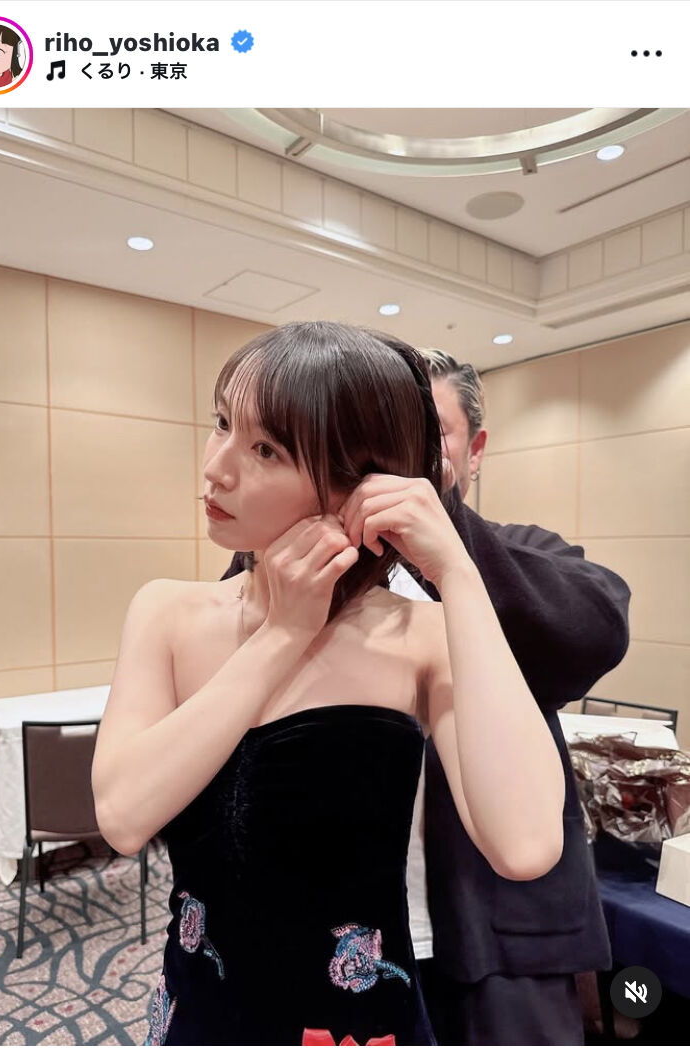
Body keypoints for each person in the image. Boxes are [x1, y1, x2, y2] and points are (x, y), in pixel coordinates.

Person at [92, 322, 566, 1047]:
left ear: (359, 484)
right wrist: (282, 634)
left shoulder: (421, 635)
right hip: (203, 1013)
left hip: (363, 1025)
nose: (216, 468)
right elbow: (123, 816)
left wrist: (459, 576)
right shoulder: (166, 612)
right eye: (222, 424)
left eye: (266, 450)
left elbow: (526, 845)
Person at [223, 345, 630, 1045]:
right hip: (335, 929)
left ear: (474, 451)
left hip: (503, 927)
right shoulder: (300, 566)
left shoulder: (514, 553)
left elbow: (594, 631)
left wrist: (444, 537)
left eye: (426, 434)